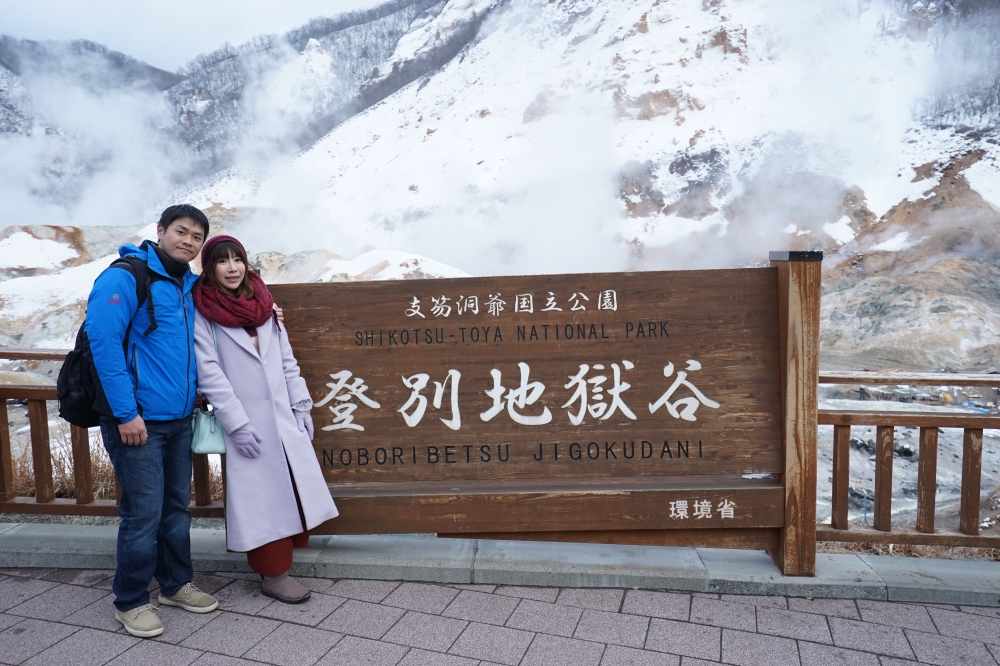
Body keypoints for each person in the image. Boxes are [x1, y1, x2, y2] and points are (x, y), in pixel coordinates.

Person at [86, 205, 220, 638]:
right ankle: (130, 601)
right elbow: (104, 345)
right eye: (181, 231)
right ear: (160, 230)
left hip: (180, 419)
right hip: (138, 422)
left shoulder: (187, 284)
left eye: (197, 237)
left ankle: (175, 585)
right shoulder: (126, 277)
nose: (189, 241)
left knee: (176, 510)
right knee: (143, 514)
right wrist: (126, 414)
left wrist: (272, 315)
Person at [192, 234, 338, 604]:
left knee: (291, 491)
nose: (232, 268)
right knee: (262, 501)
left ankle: (282, 566)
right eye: (222, 261)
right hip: (248, 424)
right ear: (210, 268)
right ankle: (274, 575)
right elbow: (210, 374)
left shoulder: (264, 305)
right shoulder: (202, 312)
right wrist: (237, 425)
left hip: (283, 418)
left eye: (237, 259)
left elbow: (287, 360)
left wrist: (301, 405)